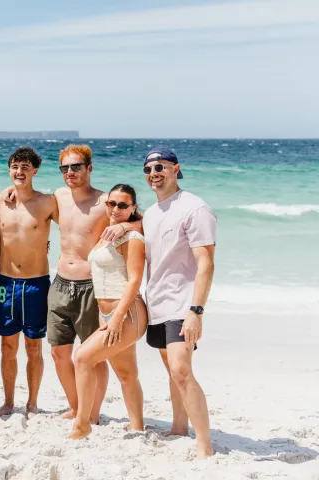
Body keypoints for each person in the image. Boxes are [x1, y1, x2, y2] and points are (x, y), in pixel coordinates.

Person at [47, 144, 141, 422]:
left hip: (91, 287)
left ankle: (93, 413)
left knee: (93, 356)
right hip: (60, 284)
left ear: (89, 168)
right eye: (65, 167)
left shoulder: (106, 202)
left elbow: (147, 223)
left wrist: (126, 226)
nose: (70, 172)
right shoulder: (58, 197)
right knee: (58, 352)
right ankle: (77, 408)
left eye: (76, 166)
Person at [142, 146, 216, 459]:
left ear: (175, 168)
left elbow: (206, 263)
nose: (153, 174)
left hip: (182, 305)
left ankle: (205, 447)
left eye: (160, 167)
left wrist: (196, 311)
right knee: (174, 371)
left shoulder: (195, 208)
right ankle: (178, 426)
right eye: (148, 170)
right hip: (156, 303)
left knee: (181, 370)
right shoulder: (150, 212)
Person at [70, 184, 148, 439]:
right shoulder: (107, 233)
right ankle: (137, 427)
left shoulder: (132, 238)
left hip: (126, 314)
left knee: (82, 358)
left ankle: (82, 424)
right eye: (112, 204)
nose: (115, 209)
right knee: (126, 374)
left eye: (123, 205)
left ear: (133, 208)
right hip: (108, 312)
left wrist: (115, 319)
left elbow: (135, 281)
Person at [0, 147, 57, 418]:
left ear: (35, 170)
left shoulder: (47, 202)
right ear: (9, 170)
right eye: (15, 166)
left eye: (25, 166)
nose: (20, 171)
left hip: (36, 284)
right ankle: (8, 401)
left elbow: (77, 226)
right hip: (5, 282)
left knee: (33, 345)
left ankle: (32, 402)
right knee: (7, 346)